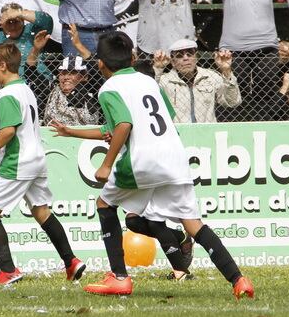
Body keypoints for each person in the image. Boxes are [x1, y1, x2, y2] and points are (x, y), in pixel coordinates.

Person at [51, 31, 253, 298]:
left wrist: (106, 164)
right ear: (133, 58)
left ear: (100, 64)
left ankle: (119, 277)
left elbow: (123, 124)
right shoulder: (149, 82)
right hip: (174, 158)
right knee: (192, 223)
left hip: (142, 160)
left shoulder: (109, 89)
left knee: (104, 204)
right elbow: (142, 123)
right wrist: (71, 132)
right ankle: (238, 280)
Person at [0, 42, 86, 284]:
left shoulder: (6, 94)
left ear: (3, 66)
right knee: (41, 210)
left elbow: (8, 131)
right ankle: (71, 261)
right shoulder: (25, 89)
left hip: (18, 161)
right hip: (37, 158)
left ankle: (8, 271)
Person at [25, 25, 103, 126]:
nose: (66, 77)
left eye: (73, 73)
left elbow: (95, 70)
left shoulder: (93, 91)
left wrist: (78, 45)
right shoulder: (52, 90)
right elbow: (30, 72)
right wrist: (36, 49)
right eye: (63, 73)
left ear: (84, 76)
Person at [153, 39, 241, 123]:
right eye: (179, 55)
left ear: (196, 57)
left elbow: (232, 102)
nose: (185, 58)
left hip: (206, 132)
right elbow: (152, 99)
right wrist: (158, 69)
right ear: (172, 62)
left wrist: (226, 71)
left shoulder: (210, 76)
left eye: (190, 53)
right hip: (179, 133)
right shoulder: (165, 80)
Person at [0, 3, 53, 78]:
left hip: (38, 80)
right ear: (1, 22)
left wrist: (20, 13)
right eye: (9, 22)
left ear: (23, 20)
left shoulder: (31, 31)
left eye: (16, 21)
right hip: (8, 85)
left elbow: (47, 21)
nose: (13, 27)